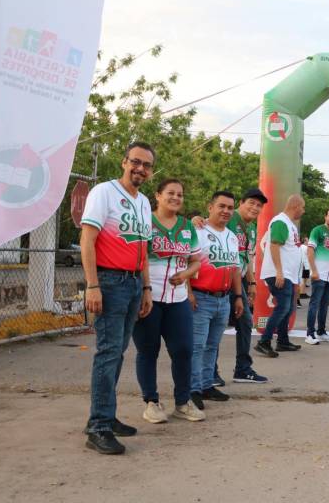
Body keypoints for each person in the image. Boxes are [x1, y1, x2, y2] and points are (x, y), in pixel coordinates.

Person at [80, 141, 155, 455]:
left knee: (119, 351)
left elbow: (144, 250)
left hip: (134, 282)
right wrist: (92, 285)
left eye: (146, 165)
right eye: (135, 162)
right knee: (108, 353)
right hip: (109, 281)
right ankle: (98, 426)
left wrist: (147, 288)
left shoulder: (144, 201)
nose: (140, 168)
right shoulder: (104, 192)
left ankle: (106, 417)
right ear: (124, 162)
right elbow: (88, 238)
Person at [133, 179, 204, 424]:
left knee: (183, 350)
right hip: (149, 296)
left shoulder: (187, 226)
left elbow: (196, 260)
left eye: (180, 194)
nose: (176, 197)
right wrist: (144, 289)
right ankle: (151, 402)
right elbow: (139, 257)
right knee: (148, 350)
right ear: (158, 195)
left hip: (178, 299)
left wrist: (185, 275)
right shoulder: (145, 221)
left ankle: (182, 402)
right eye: (170, 193)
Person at [193, 188, 269, 385]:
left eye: (259, 205)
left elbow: (246, 256)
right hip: (215, 280)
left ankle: (242, 368)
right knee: (214, 327)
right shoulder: (230, 218)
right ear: (240, 204)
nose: (255, 207)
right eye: (251, 203)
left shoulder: (251, 228)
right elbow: (207, 223)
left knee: (243, 322)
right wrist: (196, 219)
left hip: (237, 278)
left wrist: (251, 282)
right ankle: (212, 373)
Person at [188, 191, 244, 410]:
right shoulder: (197, 230)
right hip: (201, 297)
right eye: (221, 206)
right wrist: (189, 292)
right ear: (210, 207)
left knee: (212, 346)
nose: (226, 211)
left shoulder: (231, 236)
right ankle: (192, 389)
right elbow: (185, 262)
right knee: (196, 346)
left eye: (230, 208)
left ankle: (206, 384)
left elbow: (235, 269)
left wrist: (238, 296)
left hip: (224, 299)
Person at [255, 195, 306, 356]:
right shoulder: (280, 222)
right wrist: (279, 271)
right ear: (296, 206)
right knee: (283, 306)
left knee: (288, 307)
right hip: (279, 273)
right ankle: (264, 341)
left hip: (288, 274)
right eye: (302, 208)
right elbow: (274, 246)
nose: (303, 211)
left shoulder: (289, 224)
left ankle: (282, 341)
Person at [305, 208, 329, 345]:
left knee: (324, 305)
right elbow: (310, 251)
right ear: (325, 217)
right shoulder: (318, 230)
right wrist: (313, 271)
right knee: (314, 304)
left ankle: (321, 332)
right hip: (319, 274)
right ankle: (310, 334)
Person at [297, 236, 310, 308]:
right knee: (303, 281)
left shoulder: (300, 247)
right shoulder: (305, 247)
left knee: (303, 281)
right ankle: (302, 293)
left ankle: (302, 293)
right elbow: (309, 254)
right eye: (307, 240)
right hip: (305, 265)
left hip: (303, 265)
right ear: (305, 241)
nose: (308, 242)